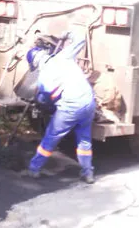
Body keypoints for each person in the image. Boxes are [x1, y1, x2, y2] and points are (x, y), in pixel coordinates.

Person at [26, 30, 96, 184]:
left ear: (35, 64)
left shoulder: (43, 78)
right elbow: (80, 39)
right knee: (84, 140)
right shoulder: (64, 56)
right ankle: (88, 173)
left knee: (51, 137)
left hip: (70, 108)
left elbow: (44, 101)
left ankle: (34, 168)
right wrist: (67, 33)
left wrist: (39, 101)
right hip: (89, 103)